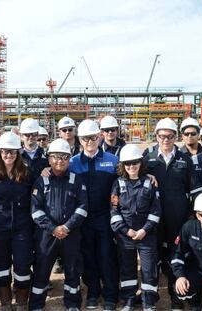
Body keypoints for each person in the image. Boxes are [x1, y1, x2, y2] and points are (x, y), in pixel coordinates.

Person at [142, 117, 202, 310]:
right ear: (156, 136)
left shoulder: (184, 160)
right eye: (162, 136)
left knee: (174, 257)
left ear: (175, 137)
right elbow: (134, 176)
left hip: (178, 217)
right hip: (153, 217)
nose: (165, 140)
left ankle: (176, 298)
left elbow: (195, 189)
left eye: (169, 136)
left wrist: (196, 214)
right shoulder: (147, 156)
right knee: (152, 258)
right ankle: (150, 299)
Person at [30, 138, 88, 311]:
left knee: (72, 271)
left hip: (71, 234)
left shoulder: (76, 180)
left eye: (64, 157)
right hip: (46, 235)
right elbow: (35, 210)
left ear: (69, 159)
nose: (59, 161)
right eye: (55, 157)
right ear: (49, 159)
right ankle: (36, 305)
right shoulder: (41, 181)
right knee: (41, 271)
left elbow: (83, 207)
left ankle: (72, 303)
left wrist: (67, 227)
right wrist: (53, 228)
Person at [0, 132, 34, 310]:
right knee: (1, 265)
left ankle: (21, 301)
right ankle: (5, 302)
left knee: (22, 264)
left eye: (12, 152)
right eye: (4, 152)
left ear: (18, 153)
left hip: (22, 227)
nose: (8, 155)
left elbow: (35, 199)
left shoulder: (26, 172)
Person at [69, 119, 119, 310]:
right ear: (79, 140)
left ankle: (110, 295)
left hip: (105, 217)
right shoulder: (73, 163)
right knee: (88, 256)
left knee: (107, 256)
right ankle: (93, 292)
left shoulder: (112, 161)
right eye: (84, 139)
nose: (89, 142)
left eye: (92, 137)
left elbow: (126, 182)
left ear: (99, 137)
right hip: (83, 219)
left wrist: (147, 175)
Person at [110, 144, 161, 311]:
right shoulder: (117, 183)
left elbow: (155, 210)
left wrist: (144, 229)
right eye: (127, 164)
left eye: (135, 163)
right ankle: (129, 300)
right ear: (123, 166)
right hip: (126, 236)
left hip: (147, 234)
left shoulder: (149, 182)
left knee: (148, 270)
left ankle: (149, 302)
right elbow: (114, 210)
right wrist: (125, 230)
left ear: (140, 163)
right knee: (127, 270)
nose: (131, 167)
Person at [19, 118, 49, 182]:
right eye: (27, 134)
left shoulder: (47, 154)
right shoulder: (16, 155)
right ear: (21, 136)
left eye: (33, 134)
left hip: (41, 190)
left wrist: (50, 169)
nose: (31, 137)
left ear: (37, 135)